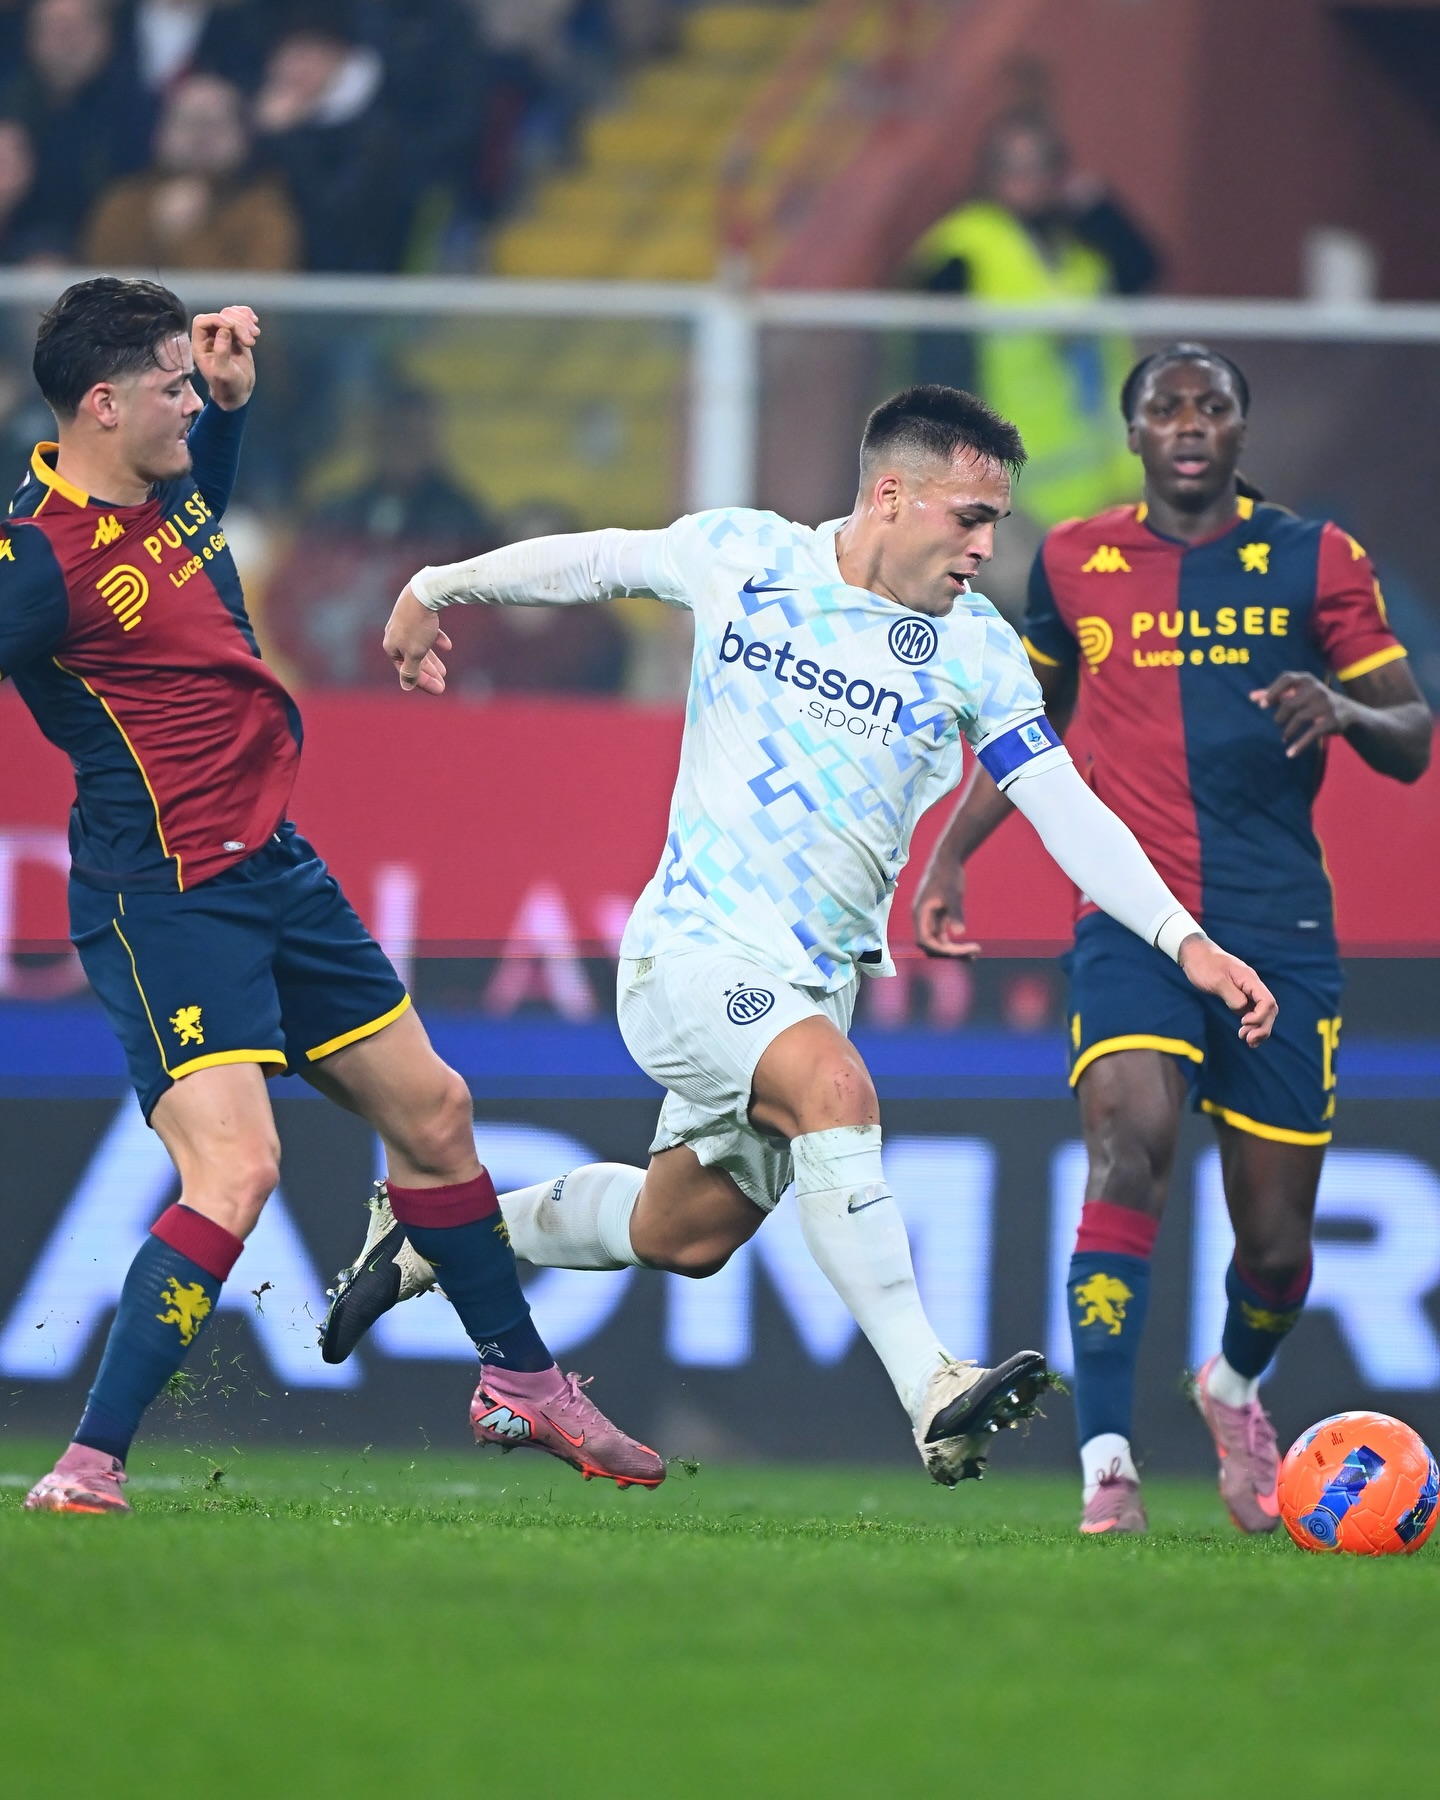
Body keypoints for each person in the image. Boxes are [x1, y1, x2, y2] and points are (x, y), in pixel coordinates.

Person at [321, 382, 1278, 1487]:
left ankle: (436, 1233)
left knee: (683, 1230)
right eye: (969, 517)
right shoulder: (747, 556)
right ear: (890, 495)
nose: (985, 544)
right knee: (836, 1092)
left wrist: (1183, 941)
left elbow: (1065, 806)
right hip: (690, 953)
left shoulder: (977, 653)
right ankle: (930, 1388)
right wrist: (437, 585)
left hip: (811, 983)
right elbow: (595, 562)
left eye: (997, 523)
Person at [3, 278, 661, 1515]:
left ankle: (520, 1380)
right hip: (167, 898)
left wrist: (232, 409)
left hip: (275, 866)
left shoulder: (170, 493)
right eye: (173, 384)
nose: (192, 398)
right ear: (100, 403)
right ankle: (88, 1464)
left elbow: (199, 513)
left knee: (436, 1112)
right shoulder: (35, 563)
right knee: (236, 1173)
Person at [912, 345, 1431, 1534]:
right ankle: (1107, 1463)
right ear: (1134, 431)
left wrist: (1346, 706)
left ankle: (1233, 1384)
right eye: (1166, 407)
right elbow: (1029, 729)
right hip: (1134, 920)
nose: (1189, 423)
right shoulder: (1076, 560)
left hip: (1282, 930)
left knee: (1280, 1248)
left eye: (1213, 406)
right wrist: (950, 856)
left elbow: (1411, 735)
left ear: (1242, 432)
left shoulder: (1317, 557)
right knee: (1128, 1145)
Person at [904, 110, 1158, 530]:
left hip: (1105, 482)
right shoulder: (962, 251)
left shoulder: (1077, 247)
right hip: (1012, 488)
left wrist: (1097, 205)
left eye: (1041, 167)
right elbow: (937, 373)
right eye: (1012, 167)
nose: (1028, 180)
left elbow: (1143, 269)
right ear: (987, 175)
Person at [83, 74, 301, 271]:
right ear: (160, 133)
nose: (200, 136)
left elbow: (260, 301)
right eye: (187, 121)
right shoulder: (123, 202)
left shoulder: (264, 208)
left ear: (243, 137)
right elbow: (102, 288)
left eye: (215, 123)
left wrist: (185, 238)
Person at [0, 0, 154, 257]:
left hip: (107, 253)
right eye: (55, 29)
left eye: (77, 28)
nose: (66, 41)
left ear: (106, 36)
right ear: (31, 39)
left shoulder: (138, 114)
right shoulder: (9, 108)